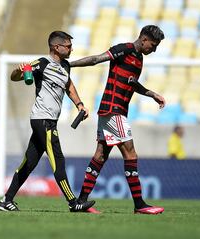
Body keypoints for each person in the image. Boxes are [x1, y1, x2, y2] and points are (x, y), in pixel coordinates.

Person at [70, 25, 166, 214]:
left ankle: (81, 202)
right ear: (144, 39)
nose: (153, 50)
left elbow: (132, 83)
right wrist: (69, 64)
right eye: (153, 45)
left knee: (100, 156)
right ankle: (139, 205)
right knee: (131, 155)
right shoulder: (125, 49)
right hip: (114, 111)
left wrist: (151, 94)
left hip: (111, 111)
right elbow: (97, 59)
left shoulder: (138, 59)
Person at [0, 31, 95, 212]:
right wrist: (19, 70)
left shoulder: (65, 65)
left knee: (29, 163)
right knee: (58, 160)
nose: (71, 49)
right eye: (68, 46)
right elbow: (15, 76)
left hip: (48, 121)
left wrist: (79, 104)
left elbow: (69, 86)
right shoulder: (42, 63)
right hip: (43, 120)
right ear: (56, 47)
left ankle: (6, 200)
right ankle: (74, 203)